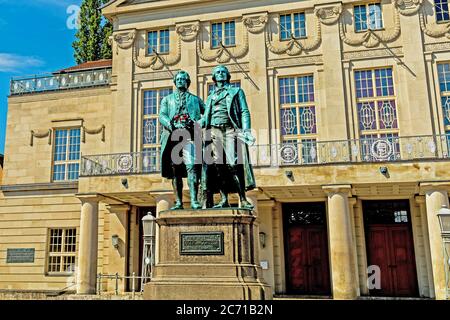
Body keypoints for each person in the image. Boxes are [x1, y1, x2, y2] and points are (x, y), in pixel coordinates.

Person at [201, 65, 256, 209]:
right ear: (214, 77)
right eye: (217, 72)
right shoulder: (210, 97)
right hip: (214, 131)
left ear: (227, 76)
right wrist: (191, 123)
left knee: (233, 165)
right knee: (219, 167)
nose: (220, 74)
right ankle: (223, 198)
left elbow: (244, 111)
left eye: (223, 72)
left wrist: (246, 130)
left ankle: (243, 198)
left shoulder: (236, 91)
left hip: (230, 130)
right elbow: (205, 119)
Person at [159, 71, 204, 210]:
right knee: (175, 171)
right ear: (175, 82)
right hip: (173, 138)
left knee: (191, 167)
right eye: (178, 79)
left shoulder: (196, 100)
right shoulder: (167, 99)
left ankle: (194, 201)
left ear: (187, 82)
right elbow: (162, 115)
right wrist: (171, 124)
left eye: (183, 79)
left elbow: (206, 114)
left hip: (190, 136)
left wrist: (197, 123)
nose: (180, 81)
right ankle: (178, 202)